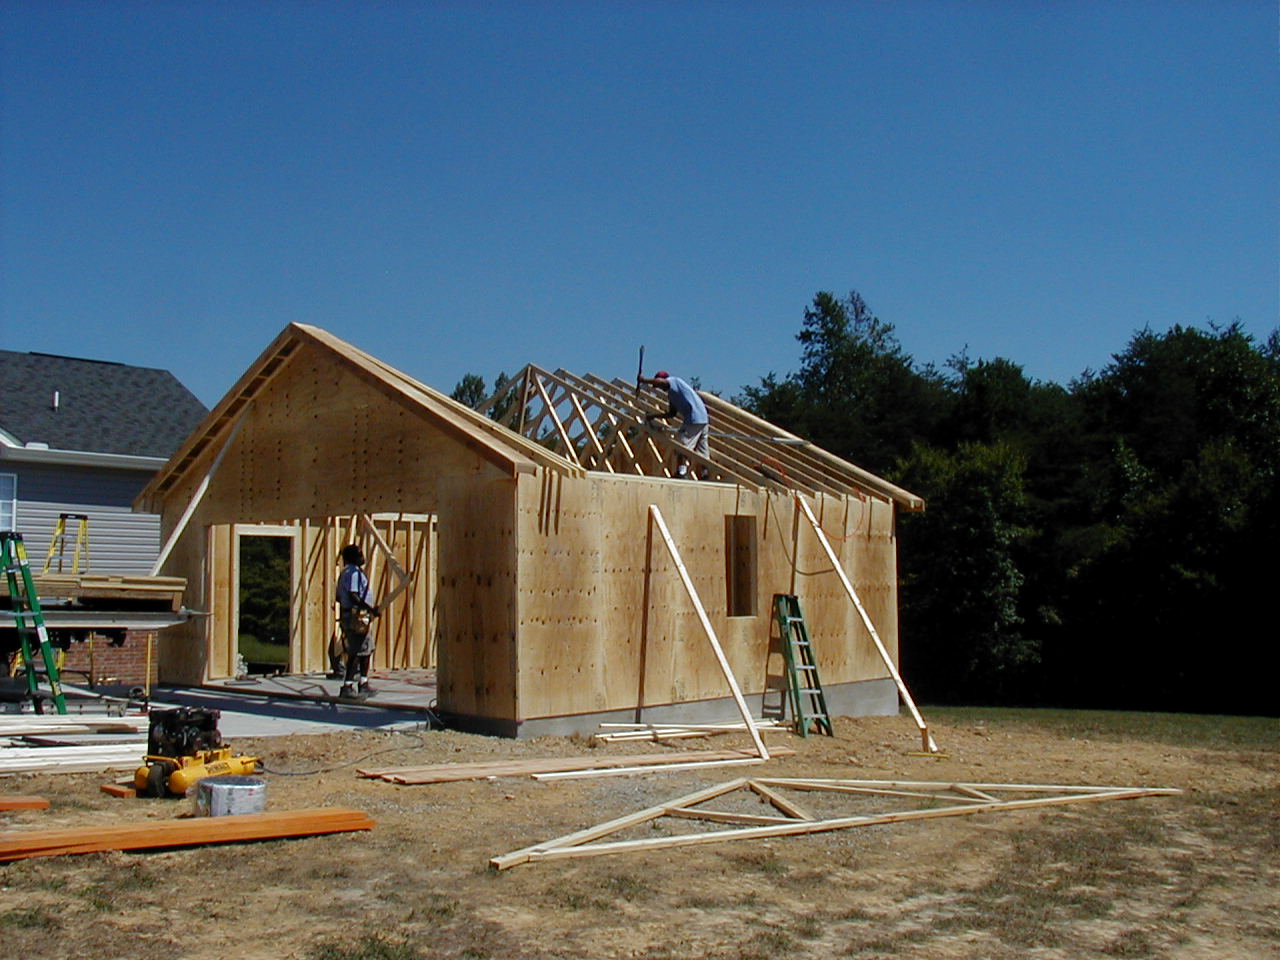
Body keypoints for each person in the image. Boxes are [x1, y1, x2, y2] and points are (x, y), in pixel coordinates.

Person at [638, 370, 710, 479]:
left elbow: (662, 382)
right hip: (703, 418)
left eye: (659, 385)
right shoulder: (673, 393)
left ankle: (681, 473)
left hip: (694, 418)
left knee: (682, 446)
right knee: (702, 448)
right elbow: (671, 413)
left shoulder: (674, 381)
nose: (660, 388)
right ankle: (705, 474)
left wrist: (644, 380)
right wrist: (654, 416)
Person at [336, 543, 379, 699]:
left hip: (351, 615)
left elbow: (339, 597)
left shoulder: (345, 573)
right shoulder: (354, 573)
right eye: (359, 554)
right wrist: (370, 609)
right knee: (357, 651)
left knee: (364, 650)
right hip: (356, 617)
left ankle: (363, 683)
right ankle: (348, 686)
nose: (363, 557)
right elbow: (354, 595)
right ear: (352, 558)